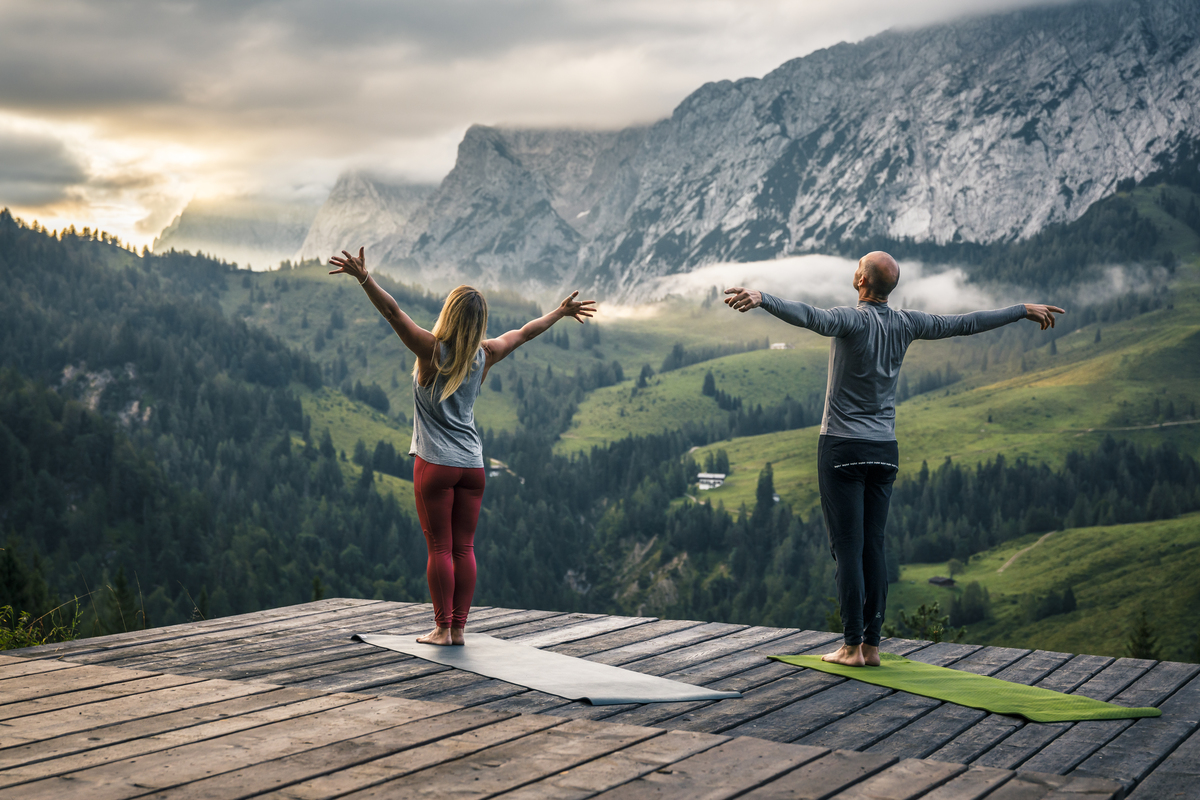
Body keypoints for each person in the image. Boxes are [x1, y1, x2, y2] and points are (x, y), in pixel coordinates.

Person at [724, 252, 1063, 667]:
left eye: (859, 267)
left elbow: (809, 316)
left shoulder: (850, 319)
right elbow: (965, 323)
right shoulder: (908, 323)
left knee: (847, 549)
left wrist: (764, 298)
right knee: (874, 548)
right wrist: (1021, 310)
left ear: (860, 281)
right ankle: (871, 646)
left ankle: (850, 646)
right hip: (885, 450)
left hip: (843, 447)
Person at [328, 248, 595, 645]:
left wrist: (365, 278)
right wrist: (559, 312)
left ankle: (442, 628)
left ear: (448, 314)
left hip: (434, 465)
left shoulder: (433, 351)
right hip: (472, 466)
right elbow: (524, 332)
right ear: (479, 322)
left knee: (439, 548)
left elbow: (393, 313)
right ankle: (459, 630)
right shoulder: (485, 355)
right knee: (463, 548)